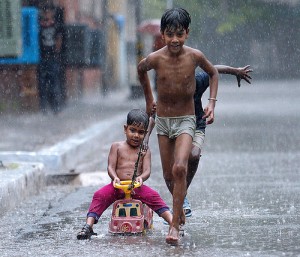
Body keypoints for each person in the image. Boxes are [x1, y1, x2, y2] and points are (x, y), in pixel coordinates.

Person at [137, 7, 218, 244]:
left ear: (187, 33)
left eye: (179, 34)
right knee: (167, 175)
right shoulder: (155, 58)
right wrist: (149, 99)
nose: (175, 40)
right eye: (170, 34)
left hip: (186, 119)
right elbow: (141, 71)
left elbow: (213, 73)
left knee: (179, 168)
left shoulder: (194, 56)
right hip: (163, 121)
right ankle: (179, 205)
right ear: (162, 34)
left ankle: (174, 226)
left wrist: (212, 103)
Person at [143, 65, 253, 218]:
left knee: (194, 155)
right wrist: (146, 137)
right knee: (172, 171)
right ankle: (181, 200)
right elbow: (155, 113)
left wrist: (235, 71)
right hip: (174, 127)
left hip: (196, 125)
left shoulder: (198, 81)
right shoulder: (168, 89)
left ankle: (181, 195)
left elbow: (214, 69)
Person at [77, 109, 172, 240]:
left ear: (145, 134)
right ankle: (88, 226)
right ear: (125, 129)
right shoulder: (116, 147)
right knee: (99, 195)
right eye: (132, 130)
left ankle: (173, 223)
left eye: (141, 132)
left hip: (136, 187)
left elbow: (147, 171)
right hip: (117, 186)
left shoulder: (144, 150)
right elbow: (110, 166)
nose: (136, 135)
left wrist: (141, 178)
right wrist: (115, 178)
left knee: (154, 196)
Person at [37, 4, 63, 114]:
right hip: (42, 58)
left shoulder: (55, 26)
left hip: (52, 58)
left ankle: (55, 106)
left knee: (53, 83)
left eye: (49, 12)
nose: (47, 14)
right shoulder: (40, 26)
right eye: (45, 12)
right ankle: (44, 107)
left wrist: (56, 52)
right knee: (42, 84)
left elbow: (59, 39)